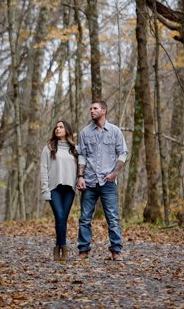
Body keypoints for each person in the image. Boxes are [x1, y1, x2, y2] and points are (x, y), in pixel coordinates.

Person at [76, 100, 127, 261]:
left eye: (95, 108)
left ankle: (116, 250)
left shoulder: (115, 131)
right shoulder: (85, 132)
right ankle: (83, 250)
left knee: (112, 217)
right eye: (90, 108)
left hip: (108, 182)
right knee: (85, 217)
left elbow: (123, 154)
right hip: (89, 181)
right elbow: (82, 155)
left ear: (104, 110)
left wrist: (114, 173)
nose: (91, 111)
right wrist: (80, 177)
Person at [39, 119, 78, 261]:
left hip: (69, 189)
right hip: (54, 188)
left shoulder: (75, 149)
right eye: (56, 127)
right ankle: (63, 247)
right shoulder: (49, 148)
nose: (57, 129)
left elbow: (80, 168)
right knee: (60, 216)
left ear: (67, 130)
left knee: (63, 218)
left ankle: (58, 247)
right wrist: (45, 190)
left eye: (61, 127)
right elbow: (43, 169)